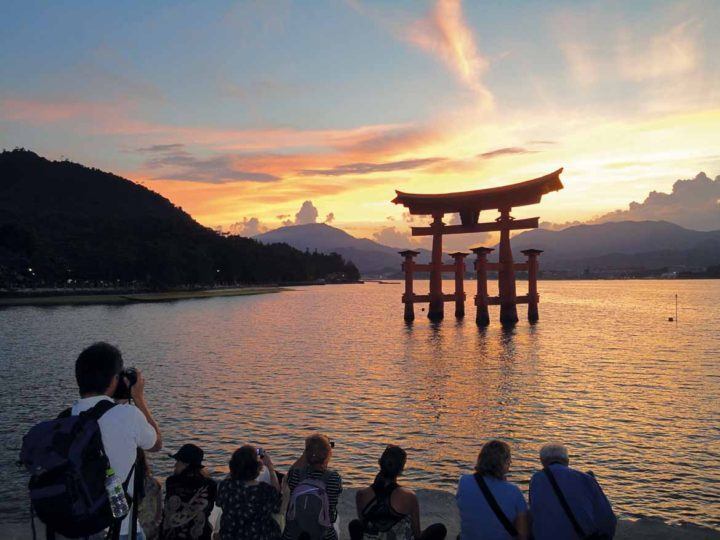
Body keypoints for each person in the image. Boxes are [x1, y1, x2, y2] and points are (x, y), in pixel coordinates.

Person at [73, 342, 162, 540]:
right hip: (121, 529)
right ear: (114, 379)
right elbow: (156, 444)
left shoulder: (68, 418)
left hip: (81, 527)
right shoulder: (128, 415)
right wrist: (138, 398)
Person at [349, 445, 446, 540]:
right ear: (401, 469)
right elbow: (417, 535)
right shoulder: (409, 497)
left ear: (380, 463)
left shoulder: (361, 495)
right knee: (439, 529)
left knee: (355, 524)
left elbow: (364, 525)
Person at [529, 444, 617, 540]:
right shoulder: (586, 478)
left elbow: (534, 512)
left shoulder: (536, 479)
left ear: (543, 461)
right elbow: (606, 517)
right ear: (567, 461)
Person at [456, 440, 528, 540]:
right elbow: (522, 535)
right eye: (508, 460)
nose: (510, 463)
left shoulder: (464, 481)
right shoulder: (514, 492)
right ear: (503, 463)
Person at [283, 433, 343, 540]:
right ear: (328, 453)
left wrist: (308, 453)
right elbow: (331, 508)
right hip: (323, 535)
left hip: (293, 534)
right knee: (335, 518)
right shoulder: (333, 478)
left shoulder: (296, 474)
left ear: (306, 454)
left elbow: (286, 479)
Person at [216, 445, 282, 540]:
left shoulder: (225, 486)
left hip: (231, 535)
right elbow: (277, 499)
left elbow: (219, 502)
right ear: (258, 467)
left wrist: (239, 465)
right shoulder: (266, 490)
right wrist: (270, 467)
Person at [161, 444, 217, 540]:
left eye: (178, 461)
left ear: (186, 464)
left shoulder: (171, 481)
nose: (175, 465)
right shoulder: (210, 484)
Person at [137, 451, 163, 540]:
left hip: (132, 531)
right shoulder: (155, 484)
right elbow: (159, 513)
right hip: (151, 532)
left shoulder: (123, 485)